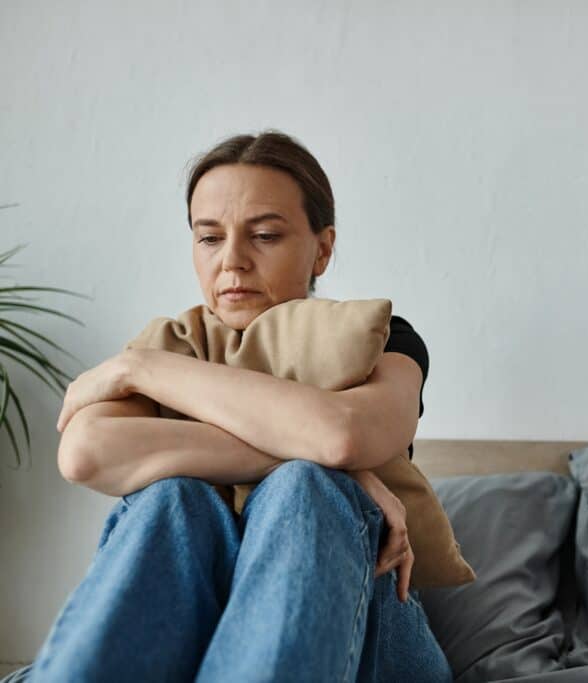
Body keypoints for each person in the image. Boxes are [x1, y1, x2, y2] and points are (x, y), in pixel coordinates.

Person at [20, 130, 452, 682]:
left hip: (373, 630)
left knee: (306, 487)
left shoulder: (383, 340)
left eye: (266, 235)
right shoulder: (178, 342)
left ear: (322, 249)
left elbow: (341, 435)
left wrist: (140, 370)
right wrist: (344, 470)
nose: (232, 262)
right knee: (173, 498)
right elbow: (84, 452)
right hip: (191, 627)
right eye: (208, 238)